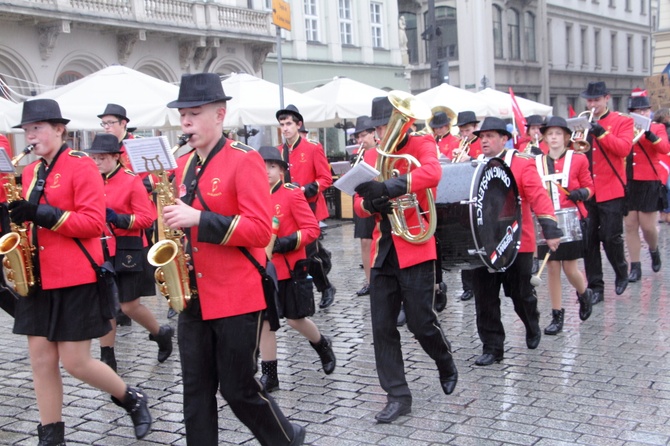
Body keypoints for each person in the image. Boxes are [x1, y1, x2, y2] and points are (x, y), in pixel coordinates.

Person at [163, 73, 305, 445]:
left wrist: (199, 219)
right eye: (183, 116)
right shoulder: (182, 166)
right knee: (195, 391)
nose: (186, 122)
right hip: (193, 296)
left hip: (236, 295)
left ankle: (286, 439)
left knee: (238, 389)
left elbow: (260, 230)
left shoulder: (246, 159)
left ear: (219, 114)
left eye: (194, 113)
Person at [8, 98, 151, 443]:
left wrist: (37, 213)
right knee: (41, 361)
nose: (31, 135)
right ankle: (51, 435)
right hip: (39, 277)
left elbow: (92, 222)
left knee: (75, 362)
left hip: (76, 276)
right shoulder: (29, 172)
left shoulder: (81, 165)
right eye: (27, 130)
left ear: (59, 130)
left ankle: (131, 398)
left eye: (37, 128)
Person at [353, 95, 458, 424]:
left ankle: (444, 360)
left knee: (420, 322)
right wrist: (372, 204)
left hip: (416, 246)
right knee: (382, 327)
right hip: (383, 250)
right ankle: (397, 395)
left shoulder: (422, 143)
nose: (383, 133)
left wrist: (389, 187)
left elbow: (433, 173)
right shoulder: (370, 154)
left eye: (386, 125)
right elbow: (358, 204)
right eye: (379, 127)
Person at [470, 117, 562, 366]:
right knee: (485, 296)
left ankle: (532, 323)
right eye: (482, 137)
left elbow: (538, 195)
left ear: (504, 139)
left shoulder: (522, 163)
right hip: (485, 242)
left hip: (517, 240)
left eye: (490, 136)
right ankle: (492, 348)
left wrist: (550, 228)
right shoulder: (475, 165)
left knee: (521, 294)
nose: (484, 141)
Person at [85, 133, 173, 372]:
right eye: (94, 158)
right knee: (107, 303)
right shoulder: (92, 179)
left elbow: (147, 218)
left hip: (129, 248)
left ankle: (161, 333)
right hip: (101, 247)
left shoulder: (131, 180)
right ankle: (107, 357)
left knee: (128, 306)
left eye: (102, 158)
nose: (97, 163)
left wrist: (119, 218)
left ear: (116, 157)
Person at [257, 146, 336, 392]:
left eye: (272, 166)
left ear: (281, 170)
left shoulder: (291, 193)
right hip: (262, 270)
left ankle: (322, 344)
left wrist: (286, 242)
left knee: (294, 319)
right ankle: (270, 376)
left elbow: (312, 229)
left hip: (290, 268)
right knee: (266, 322)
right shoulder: (253, 196)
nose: (267, 171)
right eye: (263, 166)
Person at [534, 117, 594, 335]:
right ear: (545, 137)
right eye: (550, 134)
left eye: (558, 133)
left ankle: (584, 293)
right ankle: (557, 315)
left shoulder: (578, 159)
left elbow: (590, 187)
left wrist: (581, 193)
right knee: (551, 268)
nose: (554, 137)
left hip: (571, 217)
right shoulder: (537, 162)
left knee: (570, 268)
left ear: (567, 137)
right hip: (547, 219)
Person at [577, 81, 634, 303]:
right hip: (588, 191)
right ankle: (595, 287)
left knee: (611, 237)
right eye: (589, 100)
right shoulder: (582, 123)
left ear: (606, 98)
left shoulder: (622, 121)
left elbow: (624, 149)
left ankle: (621, 271)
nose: (592, 104)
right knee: (588, 241)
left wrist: (601, 133)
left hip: (611, 190)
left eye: (596, 100)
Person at [276, 104, 336, 309]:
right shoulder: (278, 152)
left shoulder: (312, 148)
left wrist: (307, 189)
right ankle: (322, 266)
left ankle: (325, 287)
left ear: (298, 124)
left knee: (307, 254)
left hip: (309, 207)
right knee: (306, 254)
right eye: (282, 124)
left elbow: (326, 178)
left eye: (289, 124)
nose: (285, 128)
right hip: (286, 209)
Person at [624, 95, 669, 281]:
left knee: (648, 227)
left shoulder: (657, 127)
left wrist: (649, 133)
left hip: (649, 180)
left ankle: (653, 249)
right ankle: (635, 267)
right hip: (629, 180)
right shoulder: (626, 128)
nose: (641, 114)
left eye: (644, 110)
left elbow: (665, 148)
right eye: (637, 111)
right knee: (630, 224)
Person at [447, 111, 482, 301]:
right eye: (461, 131)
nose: (464, 135)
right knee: (464, 241)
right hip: (462, 194)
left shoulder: (481, 143)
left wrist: (469, 160)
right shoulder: (461, 144)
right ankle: (467, 286)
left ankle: (478, 283)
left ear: (475, 128)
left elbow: (486, 165)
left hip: (478, 196)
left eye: (467, 130)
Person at [351, 115, 377, 296]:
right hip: (361, 200)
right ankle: (369, 282)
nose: (360, 141)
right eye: (358, 137)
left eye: (363, 136)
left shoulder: (383, 151)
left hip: (378, 199)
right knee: (365, 241)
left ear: (373, 133)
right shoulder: (358, 155)